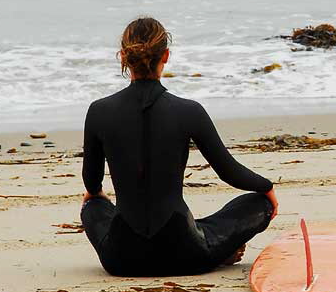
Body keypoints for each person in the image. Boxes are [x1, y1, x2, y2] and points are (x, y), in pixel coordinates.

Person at [80, 17, 278, 277]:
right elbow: (229, 172)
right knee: (257, 204)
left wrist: (95, 197)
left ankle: (207, 238)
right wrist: (267, 189)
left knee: (92, 206)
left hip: (121, 259)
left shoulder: (99, 111)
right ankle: (217, 247)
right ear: (166, 55)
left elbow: (91, 183)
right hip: (187, 256)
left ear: (123, 57)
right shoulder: (189, 111)